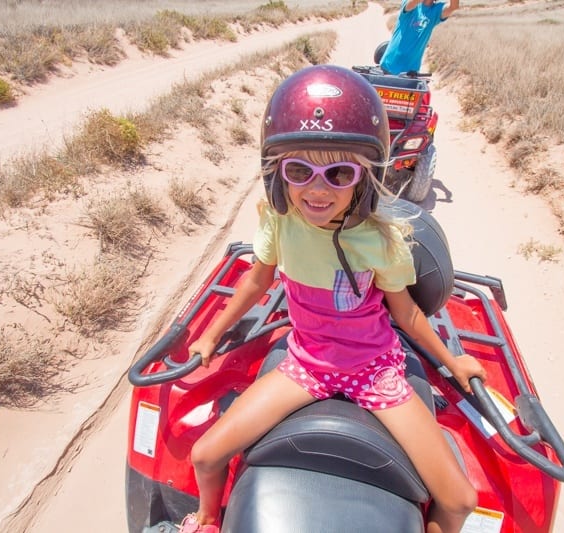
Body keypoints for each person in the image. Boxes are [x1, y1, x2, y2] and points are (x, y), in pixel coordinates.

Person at [179, 64, 485, 533]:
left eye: (338, 172)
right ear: (277, 173)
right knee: (205, 455)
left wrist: (452, 361)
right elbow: (256, 284)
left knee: (460, 500)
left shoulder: (381, 241)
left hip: (374, 369)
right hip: (307, 365)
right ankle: (204, 521)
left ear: (363, 177)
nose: (317, 189)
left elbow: (404, 311)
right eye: (300, 170)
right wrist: (211, 335)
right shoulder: (280, 222)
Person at [380, 0, 460, 75]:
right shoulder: (410, 3)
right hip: (389, 65)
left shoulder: (436, 10)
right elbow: (412, 3)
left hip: (410, 72)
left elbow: (453, 7)